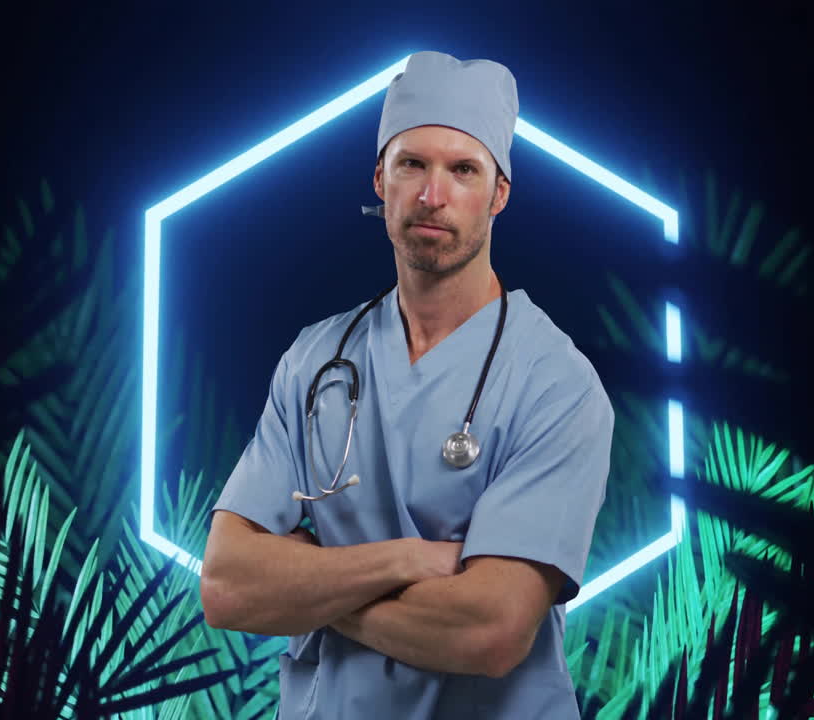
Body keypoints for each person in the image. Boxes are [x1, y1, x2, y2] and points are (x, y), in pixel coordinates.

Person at [201, 50, 615, 719]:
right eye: (412, 165)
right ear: (380, 180)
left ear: (499, 194)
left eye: (463, 170)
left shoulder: (555, 384)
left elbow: (493, 630)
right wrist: (411, 560)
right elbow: (225, 587)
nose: (432, 194)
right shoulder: (316, 361)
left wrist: (311, 588)